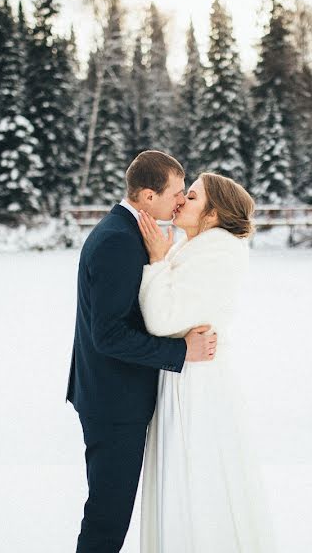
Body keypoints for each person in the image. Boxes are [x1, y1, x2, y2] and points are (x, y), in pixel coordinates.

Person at [66, 150, 218, 552]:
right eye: (176, 193)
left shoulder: (129, 233)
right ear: (148, 197)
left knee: (110, 511)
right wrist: (181, 351)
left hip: (113, 396)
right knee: (107, 516)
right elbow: (110, 335)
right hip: (113, 402)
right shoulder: (117, 240)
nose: (181, 201)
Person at [136, 172, 276, 552]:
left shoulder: (216, 251)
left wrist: (156, 261)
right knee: (186, 477)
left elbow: (163, 319)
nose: (180, 201)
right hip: (185, 373)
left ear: (212, 215)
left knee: (197, 478)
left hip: (196, 384)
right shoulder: (195, 246)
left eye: (192, 197)